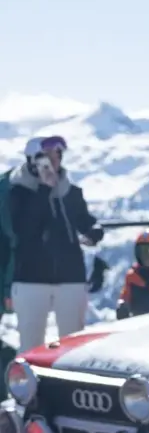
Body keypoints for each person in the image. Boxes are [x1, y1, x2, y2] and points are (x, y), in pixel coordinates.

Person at [1, 136, 103, 351]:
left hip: (70, 276)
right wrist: (45, 190)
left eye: (58, 155)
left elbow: (85, 220)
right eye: (48, 156)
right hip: (30, 278)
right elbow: (23, 230)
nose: (54, 160)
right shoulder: (17, 192)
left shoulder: (71, 192)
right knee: (31, 344)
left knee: (73, 343)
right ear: (33, 160)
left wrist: (95, 230)